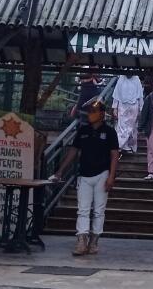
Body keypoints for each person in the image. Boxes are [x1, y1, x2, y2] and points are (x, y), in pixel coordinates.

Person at [52, 100, 119, 256]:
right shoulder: (83, 130)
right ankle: (81, 240)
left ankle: (94, 241)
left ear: (102, 114)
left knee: (98, 211)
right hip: (84, 174)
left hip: (102, 173)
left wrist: (111, 177)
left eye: (94, 111)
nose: (90, 114)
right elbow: (73, 151)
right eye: (89, 111)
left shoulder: (109, 132)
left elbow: (115, 155)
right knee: (83, 209)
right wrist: (60, 170)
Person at [112, 74, 143, 153]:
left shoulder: (136, 79)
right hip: (122, 105)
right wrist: (115, 108)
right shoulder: (121, 78)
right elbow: (116, 95)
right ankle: (120, 145)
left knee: (131, 127)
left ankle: (128, 145)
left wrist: (141, 108)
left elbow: (140, 96)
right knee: (121, 126)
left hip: (134, 106)